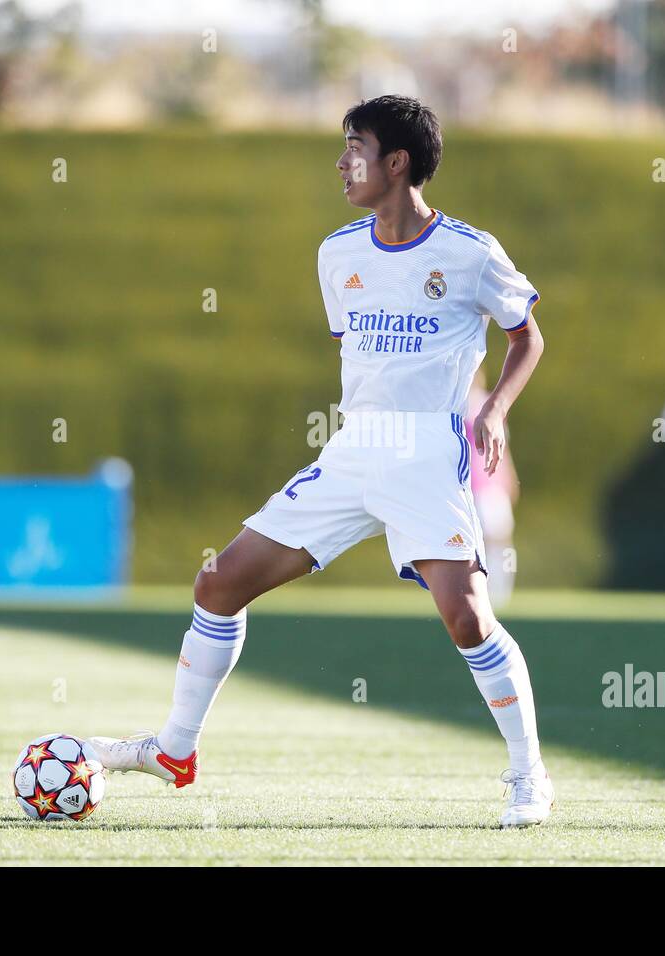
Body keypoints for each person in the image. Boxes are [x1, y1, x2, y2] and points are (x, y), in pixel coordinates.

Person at [90, 95, 552, 827]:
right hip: (352, 453)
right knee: (218, 584)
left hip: (429, 456)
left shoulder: (469, 251)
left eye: (354, 147)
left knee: (466, 620)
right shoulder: (337, 253)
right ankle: (174, 749)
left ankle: (529, 775)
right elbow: (359, 356)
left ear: (396, 162)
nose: (342, 162)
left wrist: (492, 410)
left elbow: (527, 337)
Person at [468, 368, 520, 607]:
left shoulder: (490, 405)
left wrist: (509, 478)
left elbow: (503, 446)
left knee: (498, 539)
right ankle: (480, 593)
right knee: (474, 544)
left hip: (491, 485)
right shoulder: (456, 407)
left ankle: (499, 593)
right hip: (470, 487)